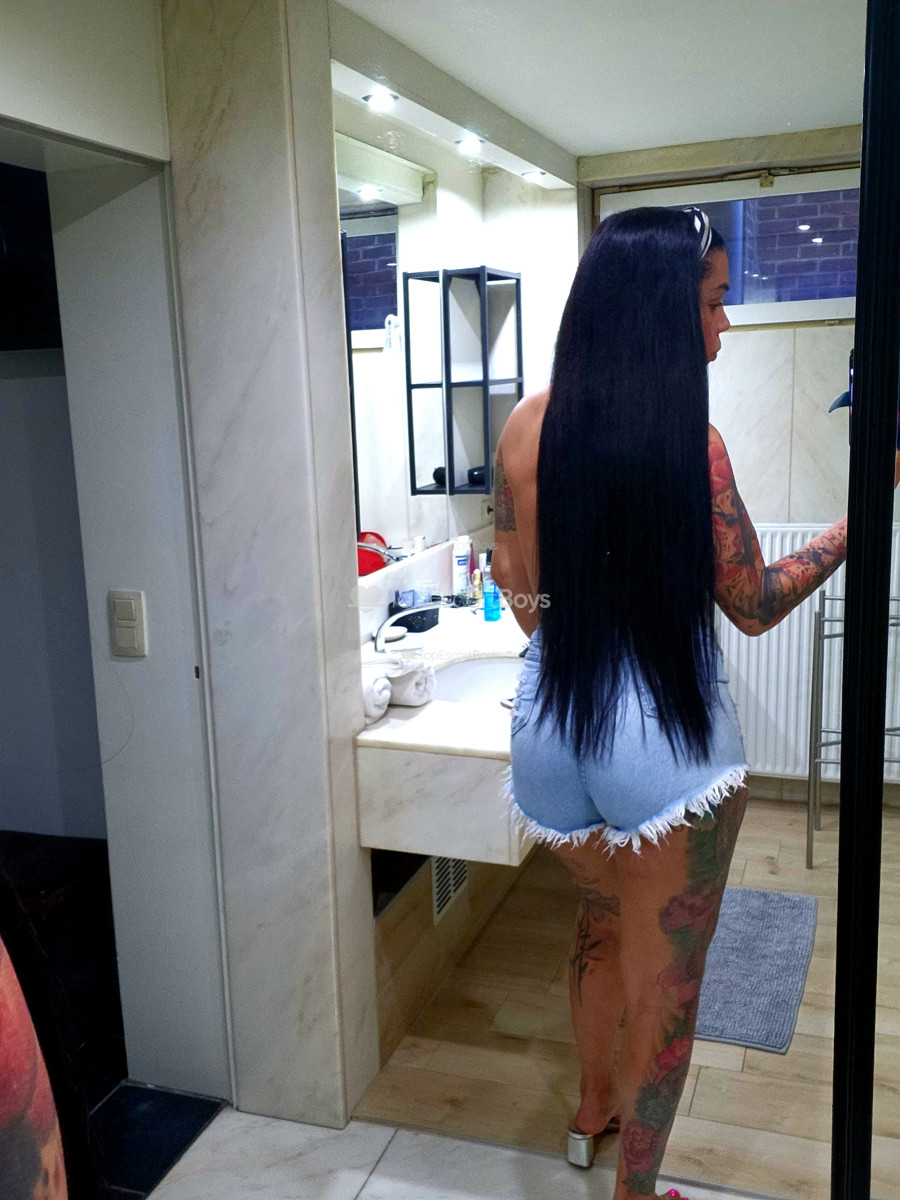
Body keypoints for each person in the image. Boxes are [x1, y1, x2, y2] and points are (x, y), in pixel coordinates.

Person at [491, 206, 898, 1200]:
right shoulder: (691, 443)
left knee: (599, 925)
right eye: (713, 304)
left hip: (549, 731)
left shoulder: (526, 426)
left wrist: (579, 635)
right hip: (660, 742)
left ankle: (590, 1108)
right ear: (658, 314)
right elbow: (753, 603)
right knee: (666, 993)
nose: (724, 325)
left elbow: (515, 585)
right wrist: (862, 518)